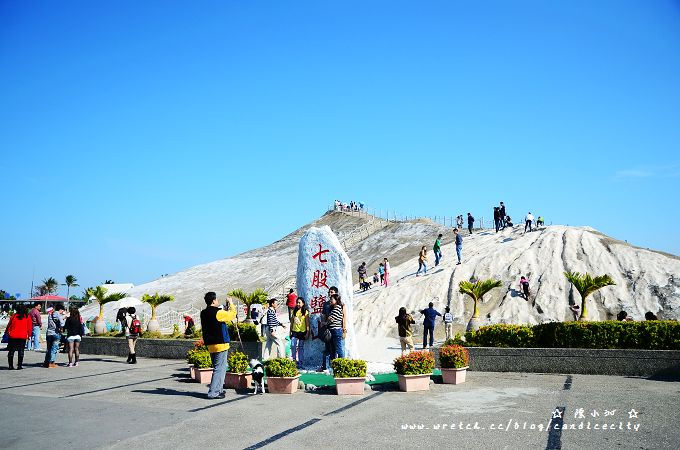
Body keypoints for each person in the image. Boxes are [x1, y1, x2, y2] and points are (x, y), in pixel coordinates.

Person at [200, 292, 237, 400]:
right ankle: (213, 392)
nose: (217, 301)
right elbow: (232, 315)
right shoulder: (218, 313)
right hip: (220, 344)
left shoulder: (204, 313)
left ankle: (219, 389)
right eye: (216, 300)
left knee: (220, 368)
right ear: (213, 301)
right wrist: (231, 303)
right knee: (219, 369)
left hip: (210, 344)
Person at [318, 286, 338, 371]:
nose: (330, 294)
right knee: (327, 347)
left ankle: (334, 365)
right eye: (329, 292)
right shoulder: (326, 304)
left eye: (332, 292)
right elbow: (323, 315)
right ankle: (325, 365)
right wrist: (323, 324)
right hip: (327, 329)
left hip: (336, 328)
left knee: (335, 347)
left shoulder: (338, 304)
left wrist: (344, 328)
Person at [7, 305, 32, 370]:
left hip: (13, 335)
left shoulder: (14, 316)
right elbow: (29, 327)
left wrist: (7, 331)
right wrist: (29, 335)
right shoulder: (27, 317)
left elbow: (9, 324)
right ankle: (19, 366)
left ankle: (10, 366)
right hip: (22, 336)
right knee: (21, 351)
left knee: (11, 351)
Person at [43, 303, 66, 368]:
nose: (62, 312)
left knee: (48, 348)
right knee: (54, 348)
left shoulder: (50, 315)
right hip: (55, 333)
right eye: (62, 311)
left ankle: (46, 362)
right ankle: (51, 362)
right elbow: (62, 323)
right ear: (60, 309)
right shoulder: (58, 314)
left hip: (48, 333)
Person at [290, 297, 310, 368]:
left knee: (301, 347)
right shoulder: (294, 311)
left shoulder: (305, 312)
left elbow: (307, 323)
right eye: (297, 302)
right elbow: (292, 322)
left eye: (299, 302)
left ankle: (300, 362)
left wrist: (307, 332)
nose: (298, 304)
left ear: (303, 303)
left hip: (302, 331)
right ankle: (294, 360)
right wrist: (290, 332)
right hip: (295, 331)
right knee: (293, 345)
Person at [327, 293, 346, 362]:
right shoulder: (334, 308)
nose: (330, 300)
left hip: (336, 331)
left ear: (336, 300)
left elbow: (331, 319)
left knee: (338, 348)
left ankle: (342, 364)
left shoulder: (337, 307)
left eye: (332, 299)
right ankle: (334, 364)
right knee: (333, 349)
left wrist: (328, 319)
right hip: (333, 331)